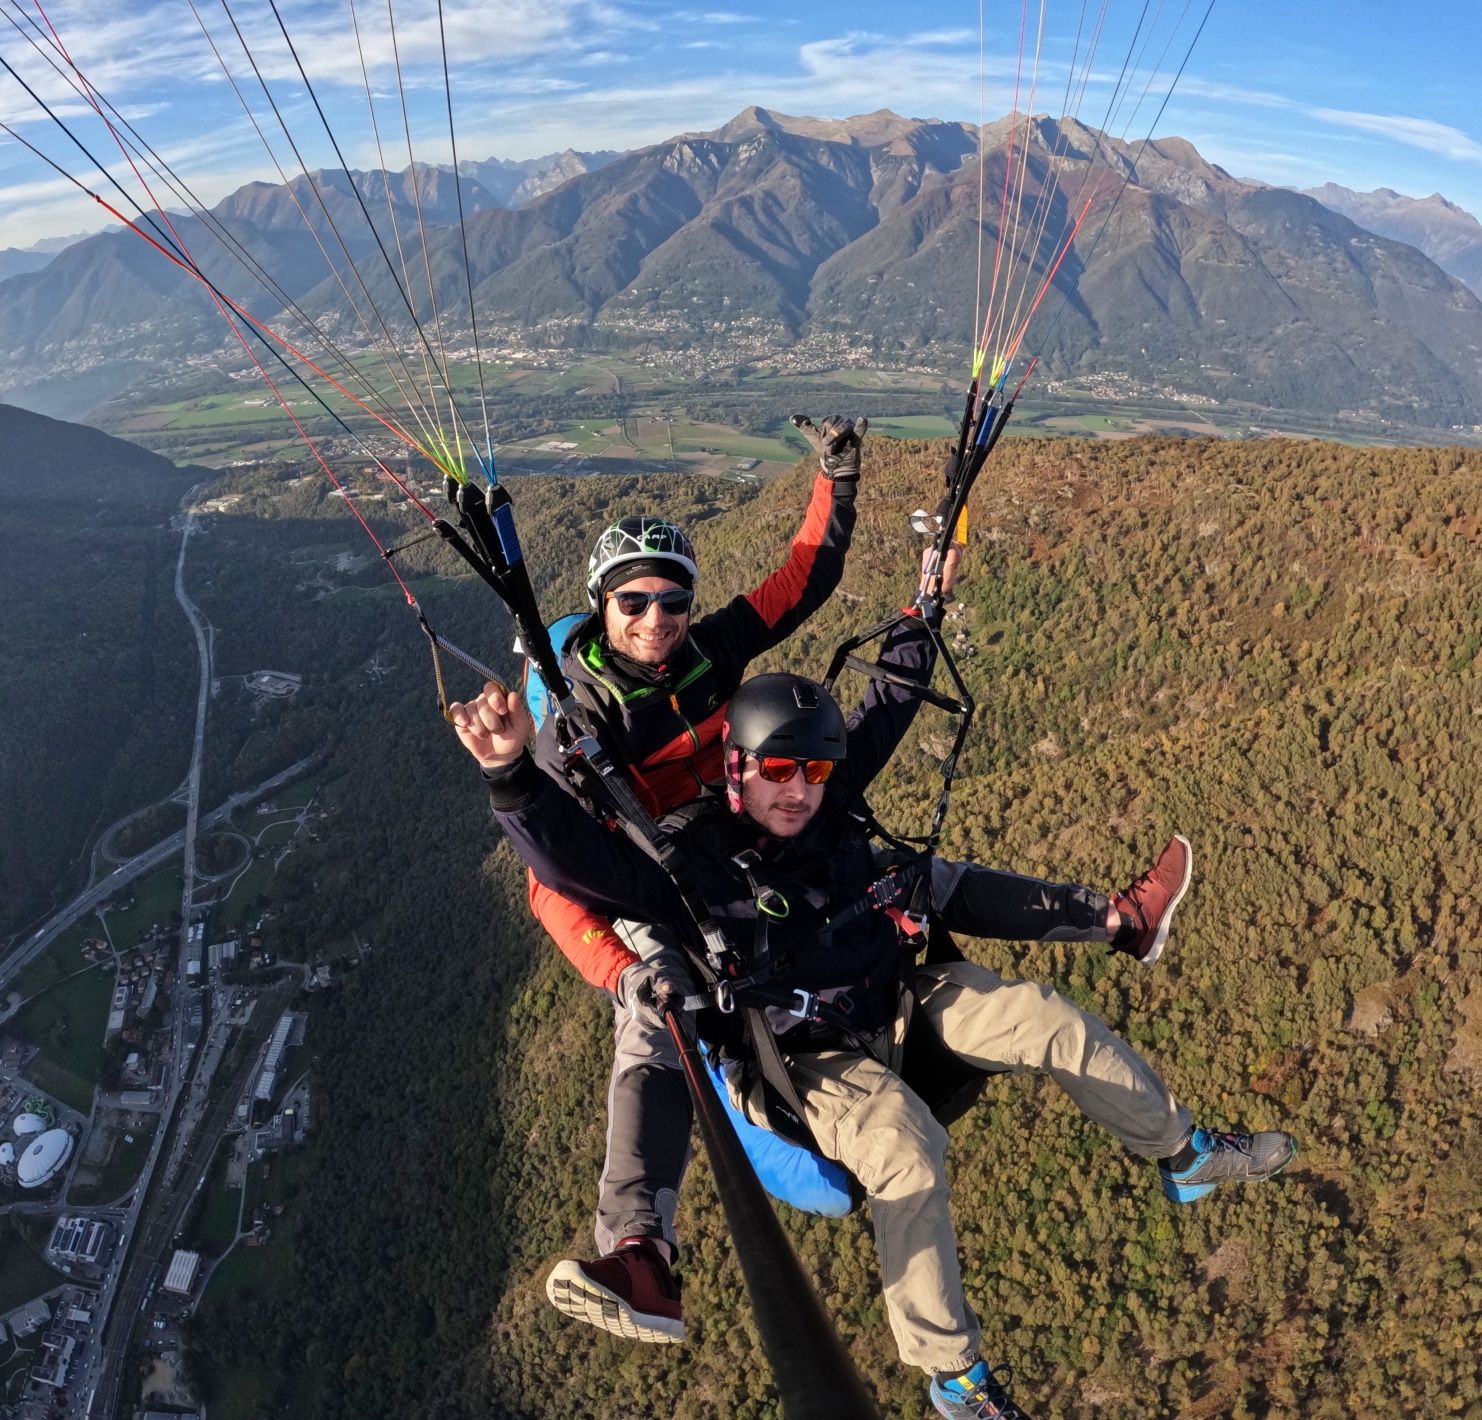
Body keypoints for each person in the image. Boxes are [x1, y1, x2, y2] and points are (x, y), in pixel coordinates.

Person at [450, 645, 1293, 1419]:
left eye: (814, 770)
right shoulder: (693, 862)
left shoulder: (838, 827)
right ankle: (955, 1376)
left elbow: (930, 820)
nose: (799, 788)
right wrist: (512, 775)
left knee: (1046, 1018)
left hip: (896, 1004)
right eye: (779, 770)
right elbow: (584, 868)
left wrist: (920, 626)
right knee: (904, 1141)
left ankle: (1185, 1155)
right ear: (735, 770)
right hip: (802, 1059)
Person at [517, 412, 868, 1342]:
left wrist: (836, 475)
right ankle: (642, 1253)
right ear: (602, 606)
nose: (656, 621)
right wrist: (617, 968)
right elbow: (552, 876)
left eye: (671, 602)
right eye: (633, 603)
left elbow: (804, 580)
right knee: (657, 1013)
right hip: (635, 880)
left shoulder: (711, 650)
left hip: (719, 844)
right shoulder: (576, 718)